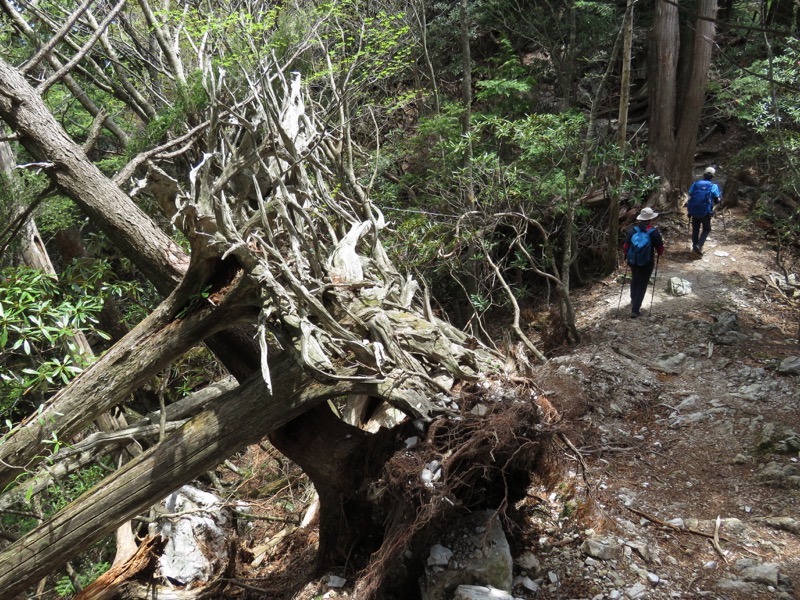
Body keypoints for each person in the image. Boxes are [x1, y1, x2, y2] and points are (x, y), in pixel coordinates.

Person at [622, 207, 665, 318]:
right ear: (651, 219)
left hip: (633, 261)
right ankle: (635, 310)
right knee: (642, 284)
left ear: (641, 219)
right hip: (647, 262)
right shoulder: (654, 233)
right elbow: (660, 250)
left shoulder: (633, 230)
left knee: (635, 280)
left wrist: (626, 256)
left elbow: (626, 246)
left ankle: (633, 300)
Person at [687, 166, 722, 256]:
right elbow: (716, 200)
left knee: (695, 229)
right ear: (712, 176)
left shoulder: (696, 183)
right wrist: (719, 199)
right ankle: (699, 246)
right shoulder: (713, 186)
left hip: (694, 210)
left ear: (704, 174)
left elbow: (690, 194)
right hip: (705, 212)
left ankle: (695, 247)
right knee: (707, 229)